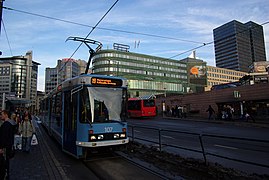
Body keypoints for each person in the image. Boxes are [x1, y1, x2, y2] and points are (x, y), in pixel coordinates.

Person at [0, 110, 17, 179]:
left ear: (6, 115)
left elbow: (3, 138)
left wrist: (0, 147)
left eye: (1, 114)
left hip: (5, 148)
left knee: (4, 163)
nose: (0, 116)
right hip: (9, 146)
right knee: (6, 162)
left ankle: (5, 175)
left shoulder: (6, 125)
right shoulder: (11, 123)